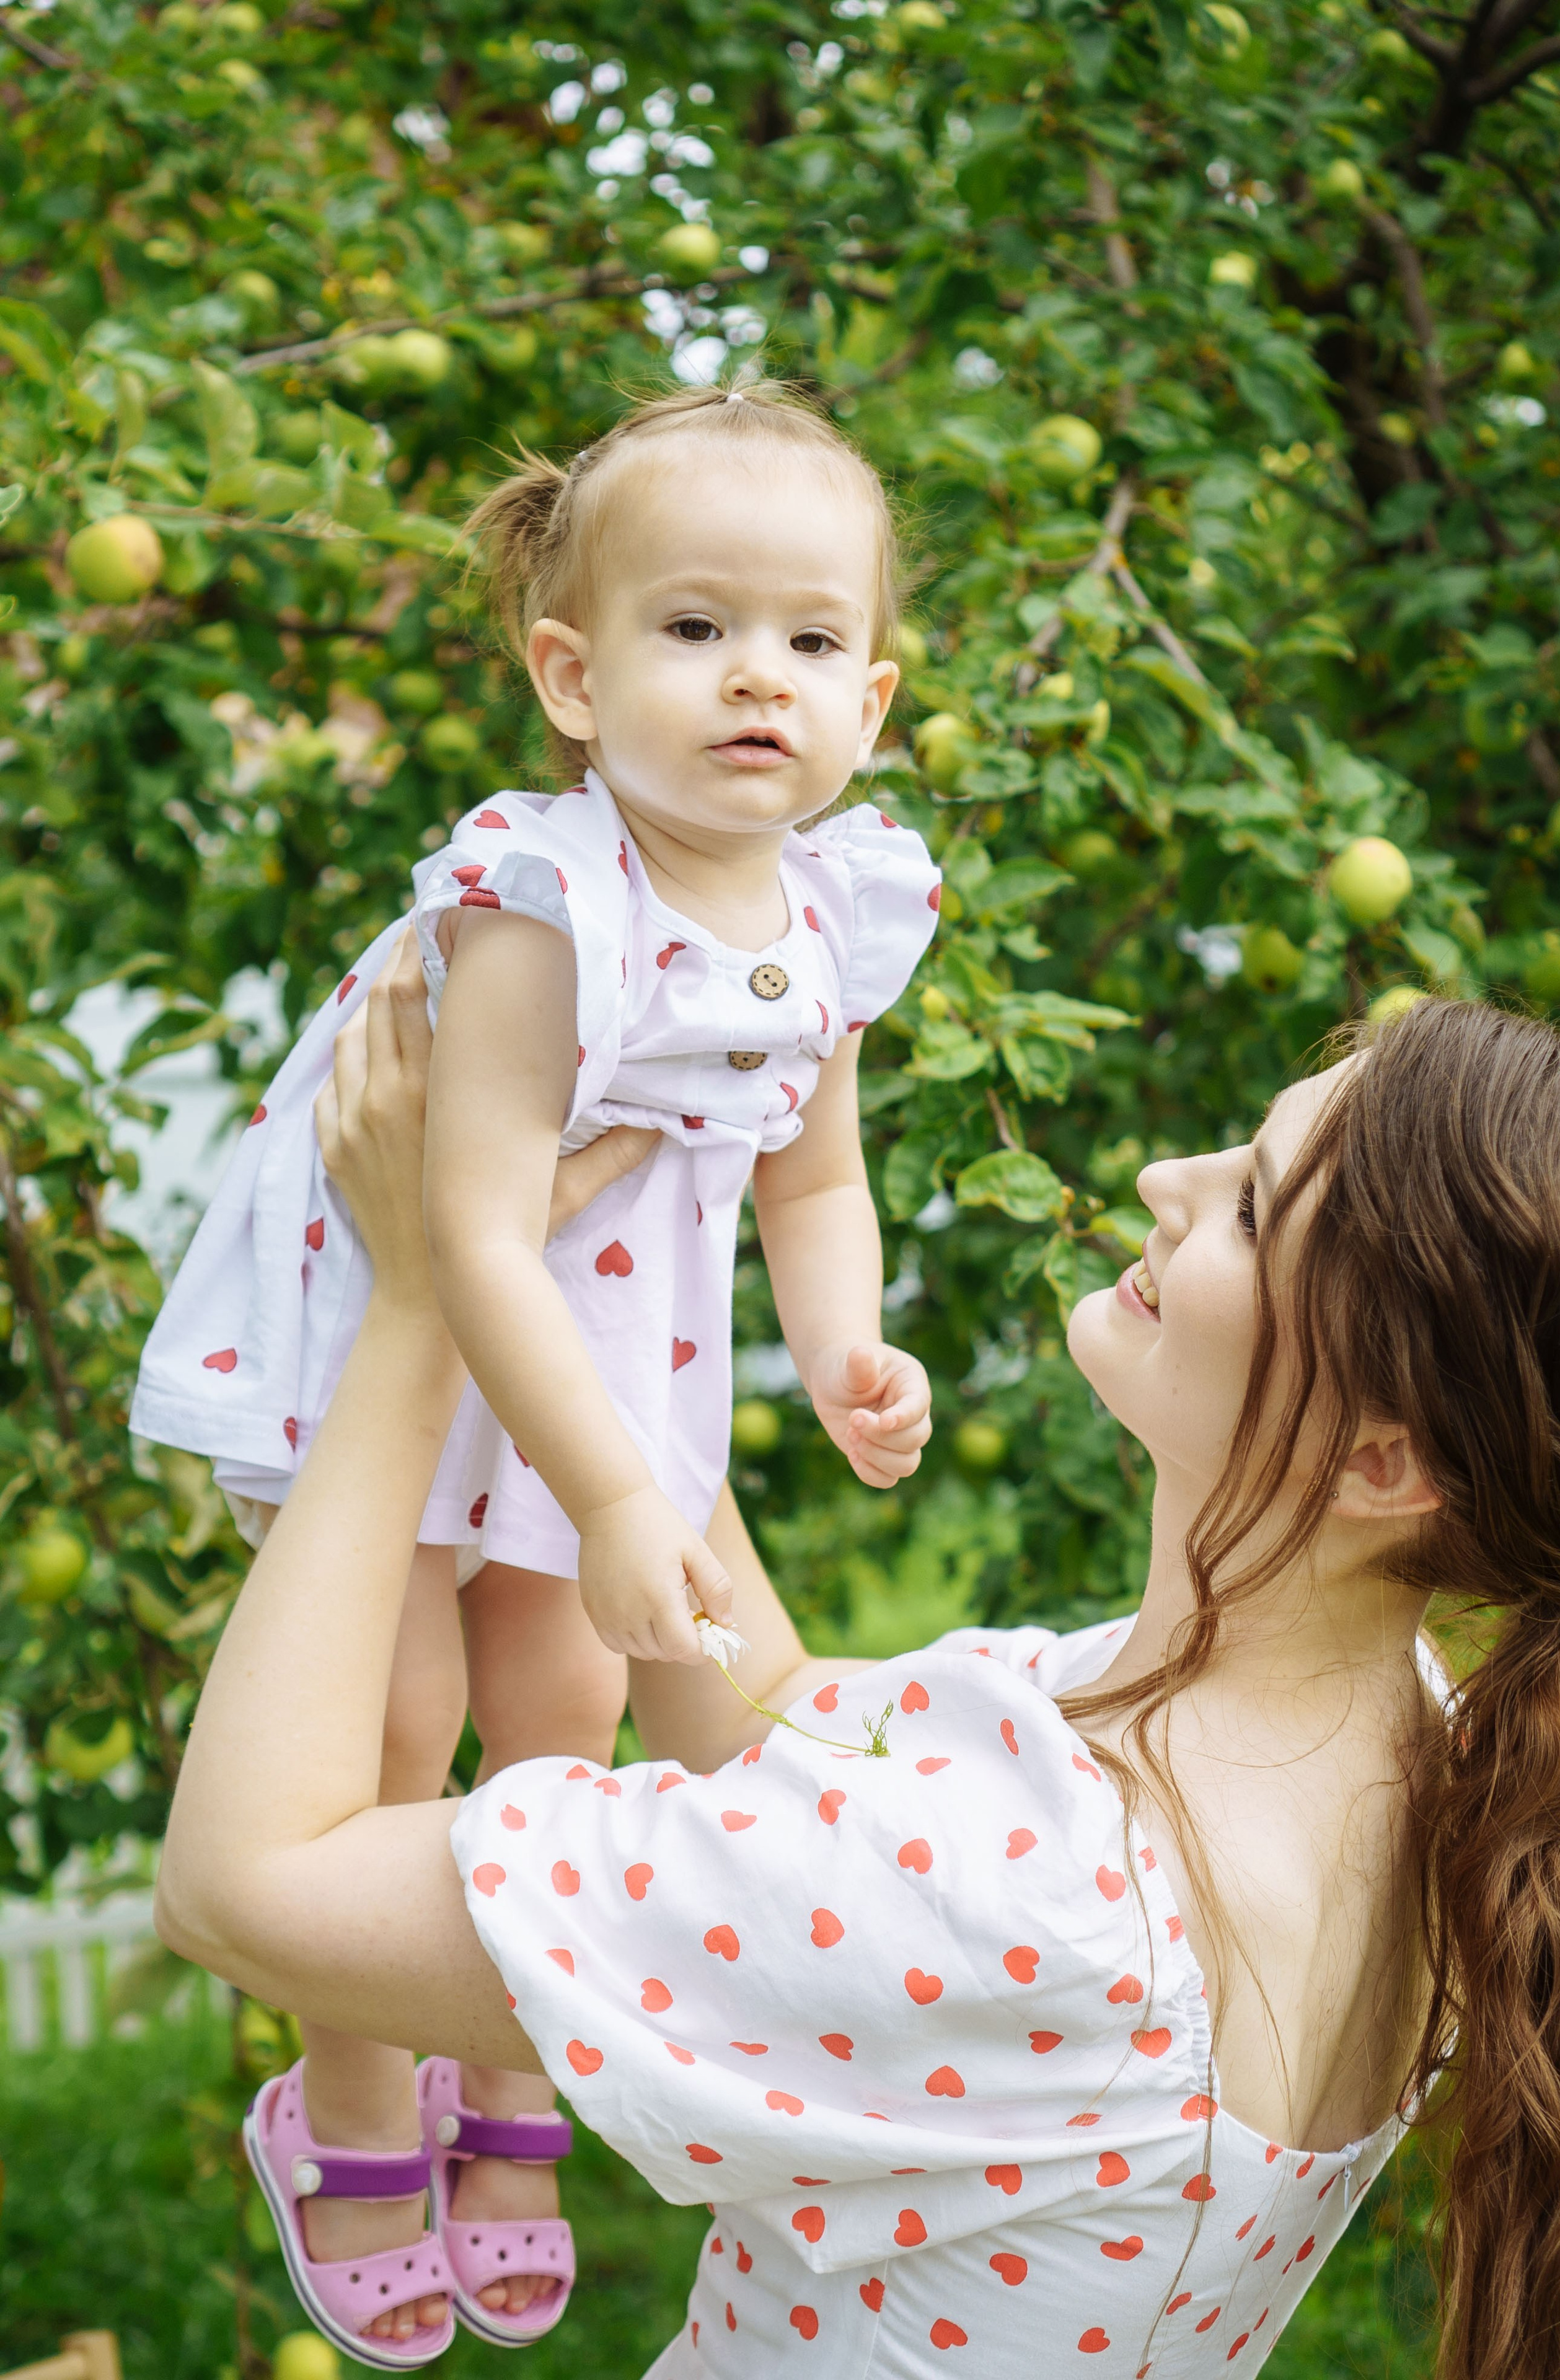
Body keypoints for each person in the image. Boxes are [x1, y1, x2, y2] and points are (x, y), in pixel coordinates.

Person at [156, 946, 1560, 2380]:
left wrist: (419, 1303)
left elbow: (245, 1888)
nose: (1166, 1178)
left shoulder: (1016, 1892)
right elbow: (763, 1703)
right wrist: (606, 1290)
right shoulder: (1411, 1750)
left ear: (1381, 1462)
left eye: (1250, 1204)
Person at [131, 382, 940, 2351]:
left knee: (562, 1724)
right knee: (392, 1736)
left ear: (876, 699)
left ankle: (507, 2088)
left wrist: (847, 1341)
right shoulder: (543, 900)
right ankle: (339, 2103)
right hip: (398, 1338)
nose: (760, 678)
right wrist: (611, 1496)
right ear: (571, 677)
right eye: (696, 629)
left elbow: (810, 1174)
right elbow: (473, 1234)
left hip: (601, 1360)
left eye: (811, 641)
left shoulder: (839, 908)